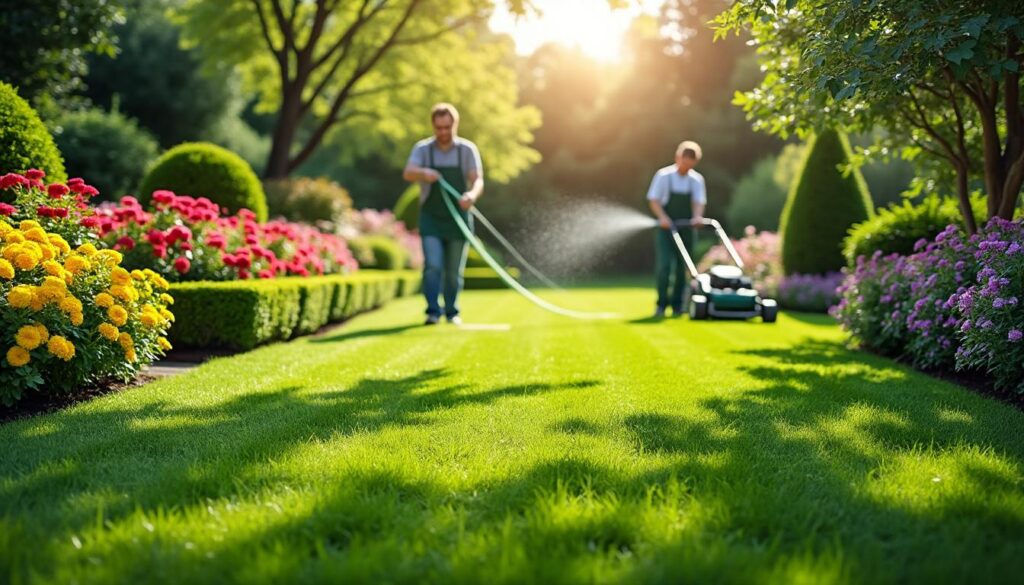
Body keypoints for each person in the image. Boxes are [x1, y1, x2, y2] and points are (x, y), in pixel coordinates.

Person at [402, 103, 484, 325]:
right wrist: (423, 173)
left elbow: (477, 179)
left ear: (454, 125)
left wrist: (471, 195)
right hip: (431, 218)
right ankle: (432, 311)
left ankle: (452, 311)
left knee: (453, 271)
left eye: (447, 127)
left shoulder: (466, 150)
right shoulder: (423, 149)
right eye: (439, 128)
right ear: (433, 126)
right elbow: (408, 173)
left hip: (458, 218)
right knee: (433, 265)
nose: (443, 132)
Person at [646, 140, 706, 318]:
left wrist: (697, 217)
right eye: (684, 163)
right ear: (678, 158)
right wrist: (663, 218)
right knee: (664, 266)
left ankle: (678, 305)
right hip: (666, 230)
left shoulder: (696, 180)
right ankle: (661, 304)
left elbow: (698, 202)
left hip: (686, 229)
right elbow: (654, 200)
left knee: (682, 268)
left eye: (690, 165)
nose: (686, 167)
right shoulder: (664, 176)